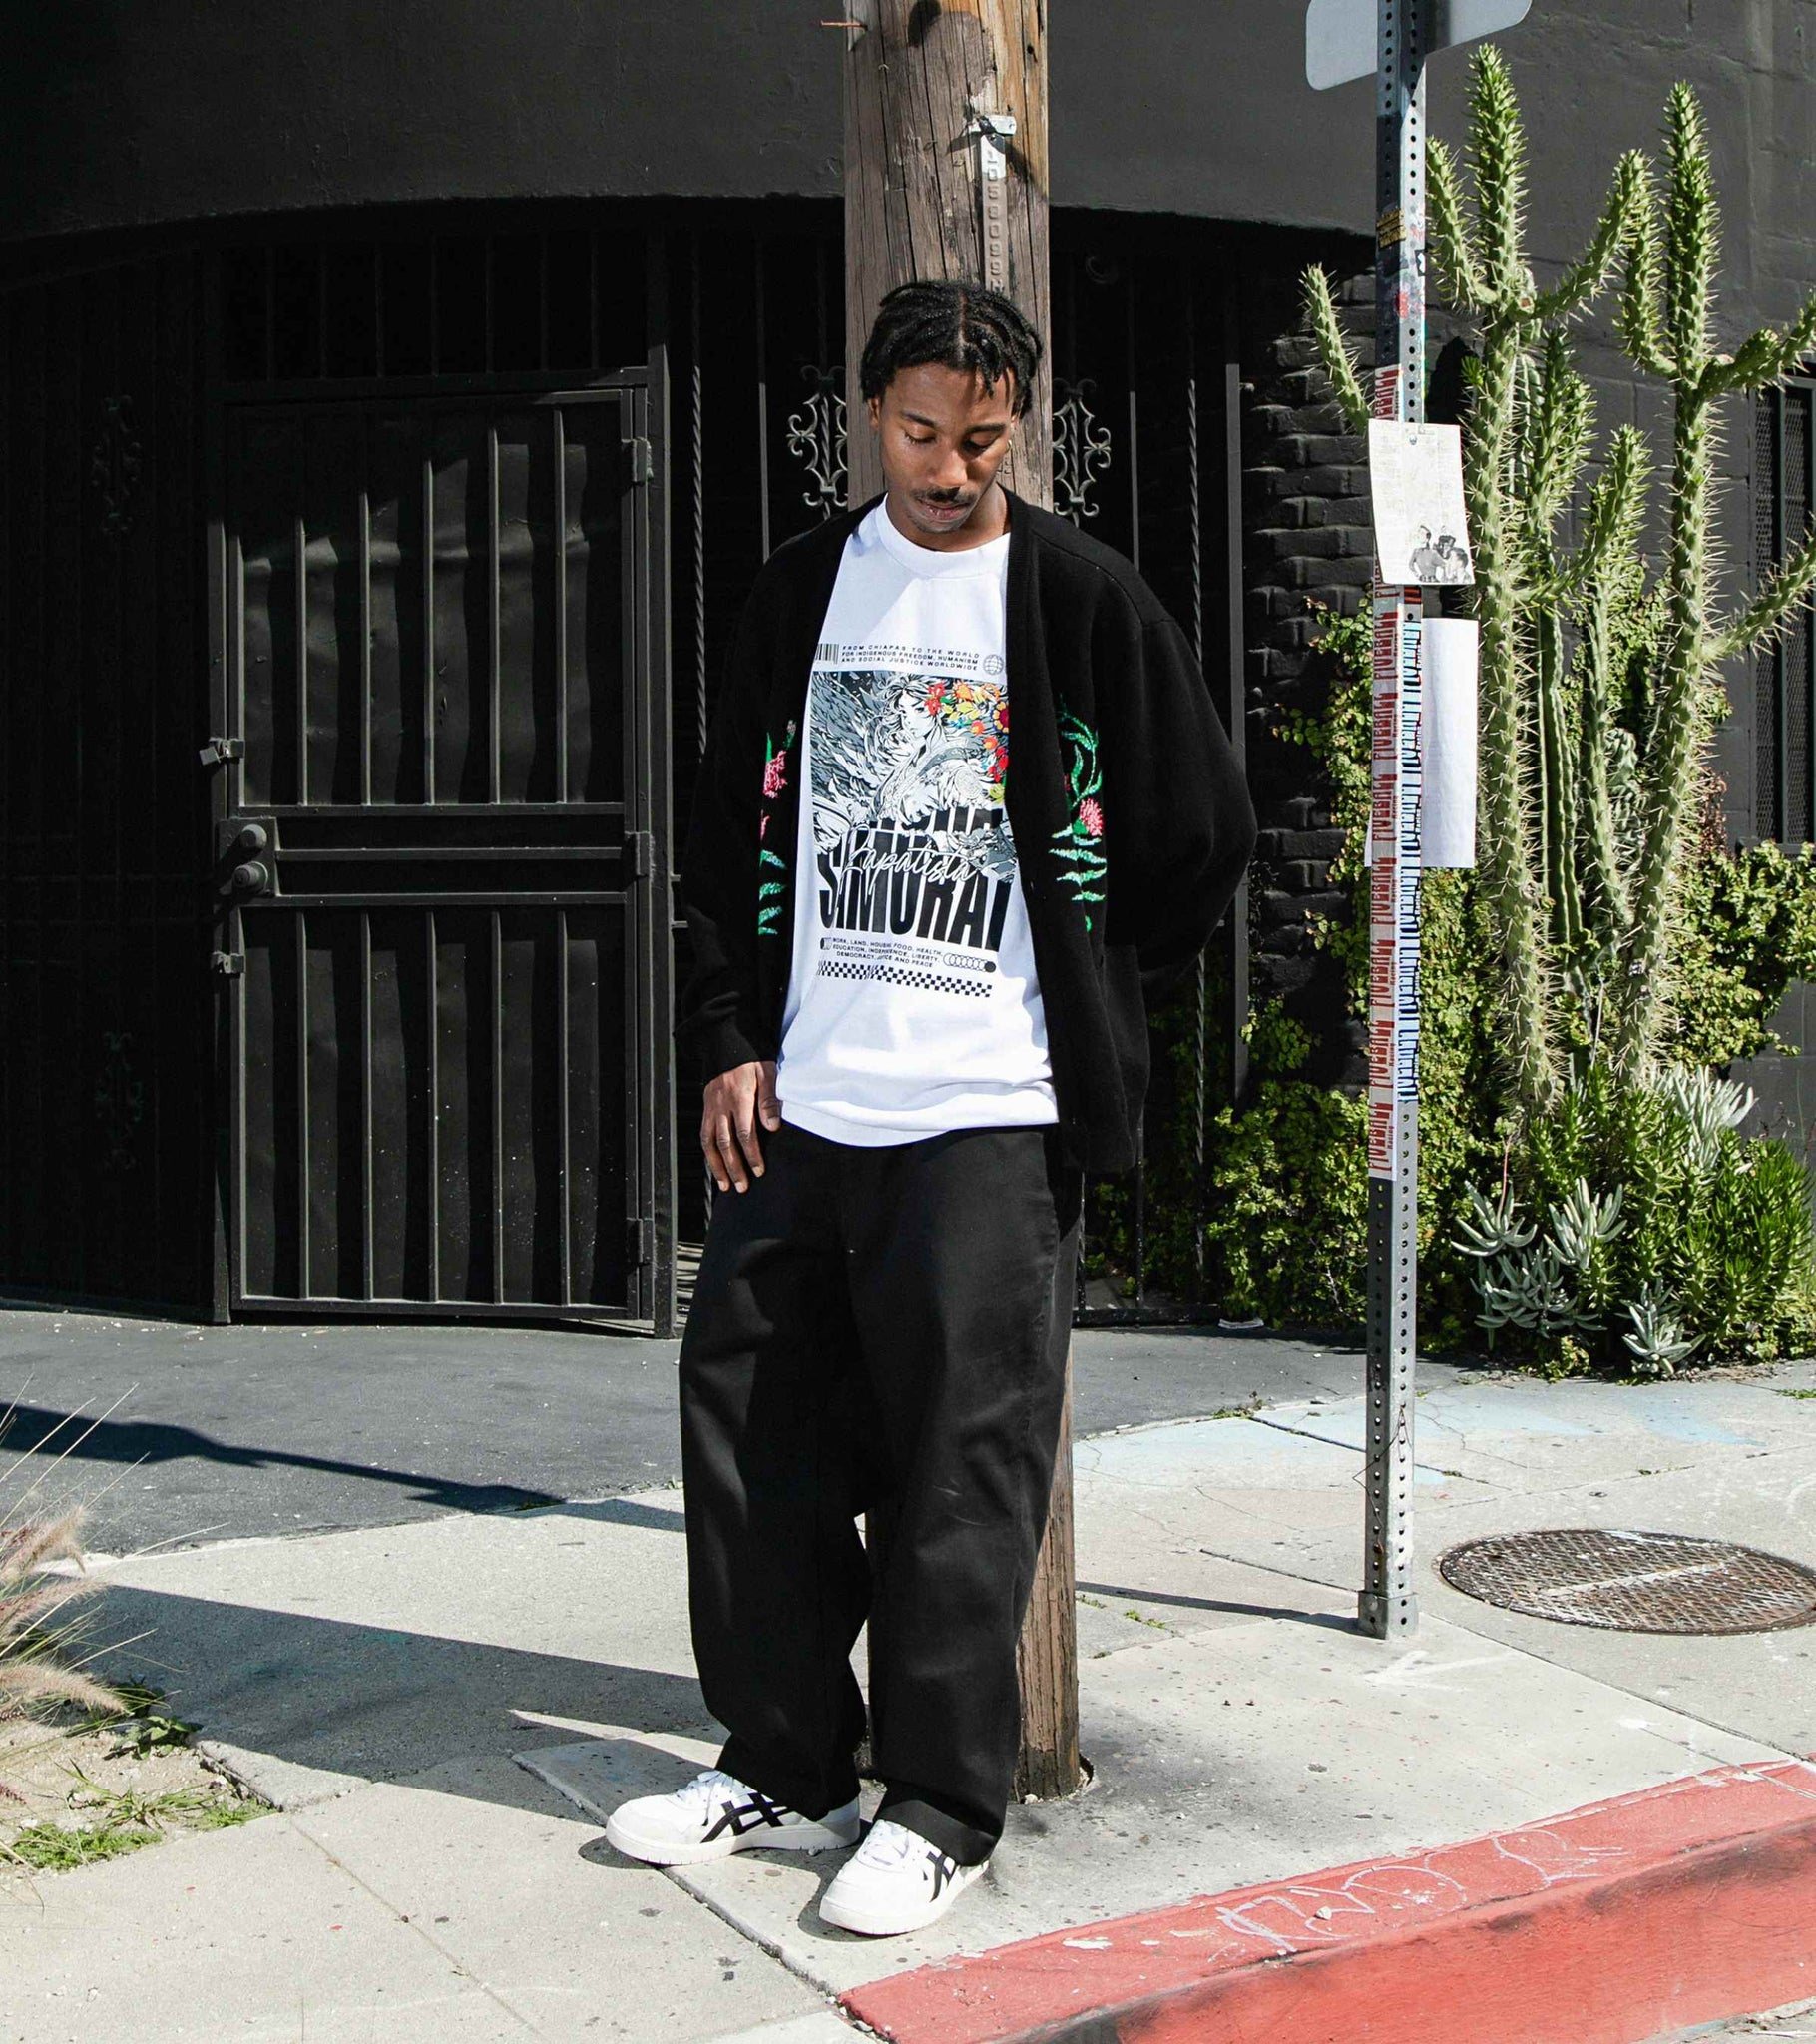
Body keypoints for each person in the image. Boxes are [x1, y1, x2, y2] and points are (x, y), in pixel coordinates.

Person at [604, 278, 1256, 1938]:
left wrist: (1090, 981)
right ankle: (781, 1754)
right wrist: (731, 1039)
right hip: (805, 1100)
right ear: (864, 418)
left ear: (1015, 428)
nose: (949, 467)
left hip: (990, 1112)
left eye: (980, 438)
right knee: (754, 1438)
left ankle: (945, 1805)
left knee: (962, 1472)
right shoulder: (798, 595)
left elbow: (1198, 834)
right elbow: (726, 841)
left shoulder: (1082, 599)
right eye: (918, 433)